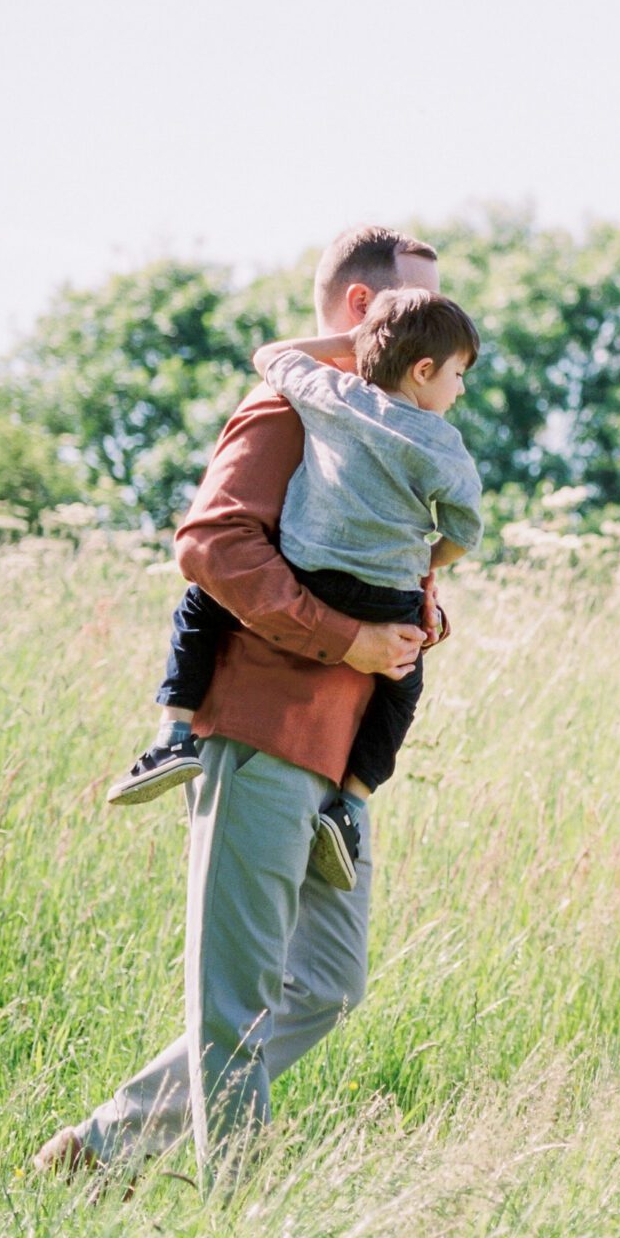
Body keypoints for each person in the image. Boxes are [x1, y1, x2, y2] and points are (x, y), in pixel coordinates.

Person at [31, 227, 444, 1188]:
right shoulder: (287, 409)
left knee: (327, 986)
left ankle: (100, 1146)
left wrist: (412, 620)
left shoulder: (387, 434)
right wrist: (344, 638)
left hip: (336, 755)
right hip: (259, 735)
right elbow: (213, 545)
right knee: (239, 1006)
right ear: (360, 311)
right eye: (417, 302)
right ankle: (241, 1234)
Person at [106, 287, 484, 887]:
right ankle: (352, 805)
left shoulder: (331, 394)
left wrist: (350, 344)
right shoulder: (444, 443)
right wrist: (427, 563)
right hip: (387, 592)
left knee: (203, 602)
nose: (461, 390)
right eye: (459, 374)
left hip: (307, 570)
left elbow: (271, 353)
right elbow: (466, 530)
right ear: (423, 371)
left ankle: (172, 734)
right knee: (403, 683)